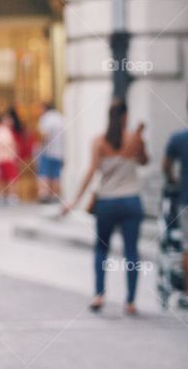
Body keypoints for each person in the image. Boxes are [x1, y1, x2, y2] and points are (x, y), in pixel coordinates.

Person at [62, 101, 148, 314]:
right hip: (130, 201)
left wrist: (74, 199)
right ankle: (130, 301)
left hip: (107, 202)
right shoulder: (134, 139)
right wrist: (139, 141)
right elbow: (145, 161)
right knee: (131, 252)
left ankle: (99, 294)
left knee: (101, 249)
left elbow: (91, 172)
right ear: (126, 117)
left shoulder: (99, 142)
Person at [161, 100, 188, 310]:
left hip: (185, 199)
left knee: (187, 247)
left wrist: (173, 181)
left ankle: (187, 293)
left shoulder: (179, 138)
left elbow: (165, 165)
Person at [37, 101, 65, 203]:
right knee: (56, 175)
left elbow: (45, 134)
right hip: (59, 152)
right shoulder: (61, 118)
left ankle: (44, 195)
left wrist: (41, 147)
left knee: (44, 174)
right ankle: (55, 196)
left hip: (48, 151)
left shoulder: (46, 118)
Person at [0, 111, 19, 204]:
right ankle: (8, 196)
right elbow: (5, 145)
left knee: (3, 179)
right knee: (7, 179)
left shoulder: (2, 131)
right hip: (4, 158)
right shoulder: (2, 131)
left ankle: (3, 196)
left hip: (3, 158)